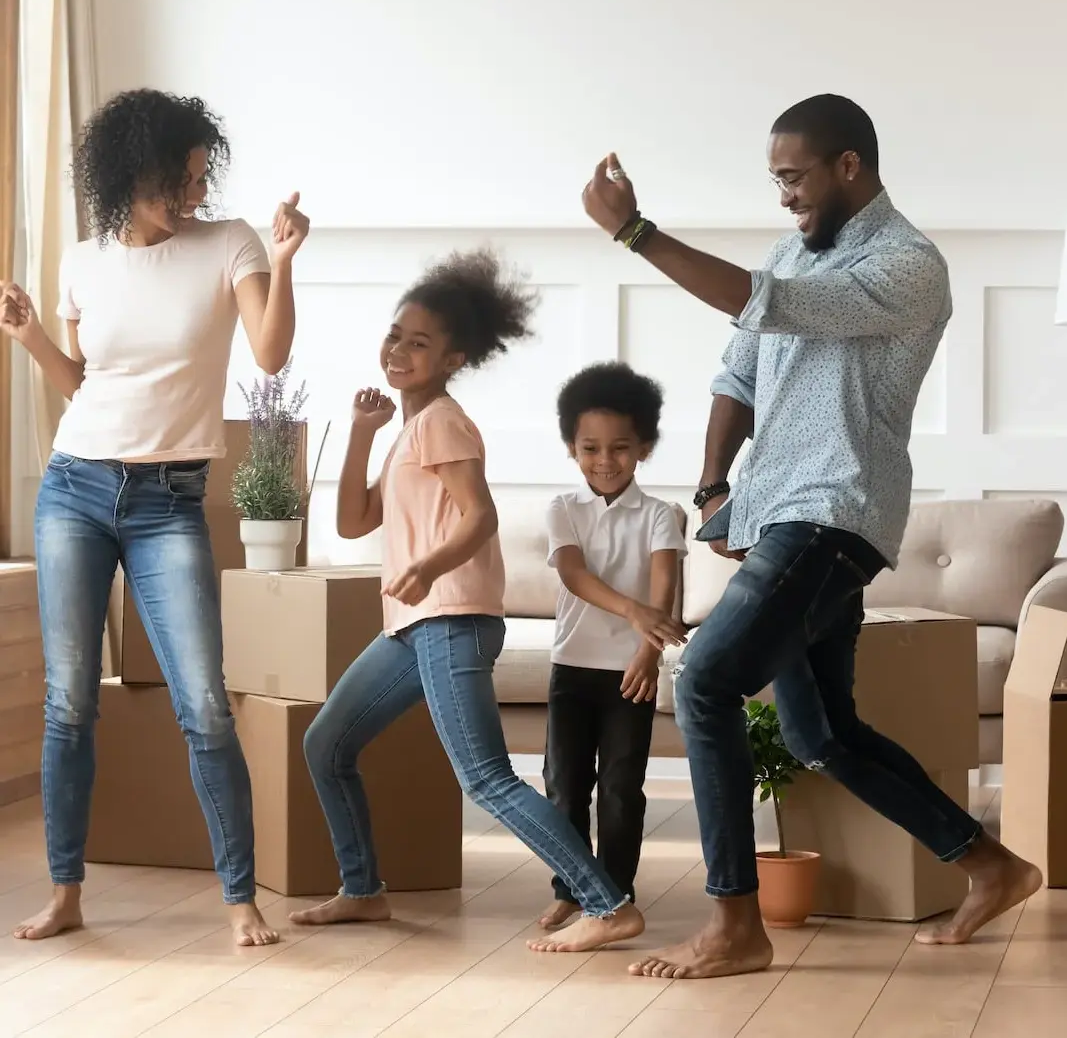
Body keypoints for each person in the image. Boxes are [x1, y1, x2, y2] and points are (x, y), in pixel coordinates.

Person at [579, 93, 1042, 980]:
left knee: (708, 680)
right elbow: (737, 372)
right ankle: (990, 864)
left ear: (848, 167)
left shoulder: (909, 265)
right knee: (820, 732)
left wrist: (634, 232)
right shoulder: (792, 249)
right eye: (773, 179)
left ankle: (732, 922)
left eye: (792, 177)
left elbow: (766, 303)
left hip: (835, 513)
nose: (782, 196)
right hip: (777, 513)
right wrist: (718, 487)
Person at [0, 88, 309, 946]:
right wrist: (30, 339)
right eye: (177, 181)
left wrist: (282, 262)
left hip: (169, 502)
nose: (193, 196)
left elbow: (272, 355)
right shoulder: (84, 260)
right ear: (127, 175)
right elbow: (85, 384)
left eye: (199, 178)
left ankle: (239, 897)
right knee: (68, 704)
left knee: (204, 704)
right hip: (74, 489)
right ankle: (66, 891)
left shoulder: (230, 242)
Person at [287, 250, 646, 954]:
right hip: (415, 626)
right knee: (326, 743)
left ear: (453, 357)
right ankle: (362, 889)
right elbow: (354, 521)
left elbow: (478, 517)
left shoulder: (443, 421)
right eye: (395, 334)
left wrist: (425, 565)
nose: (398, 349)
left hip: (448, 618)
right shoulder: (410, 430)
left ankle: (608, 902)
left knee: (485, 779)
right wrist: (362, 431)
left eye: (419, 342)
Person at [537, 362, 687, 931]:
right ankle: (571, 891)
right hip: (572, 667)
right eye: (590, 447)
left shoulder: (659, 515)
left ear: (643, 447)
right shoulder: (563, 509)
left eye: (620, 448)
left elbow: (664, 586)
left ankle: (615, 896)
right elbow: (574, 576)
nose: (605, 461)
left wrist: (648, 653)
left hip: (632, 670)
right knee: (565, 787)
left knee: (623, 788)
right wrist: (634, 612)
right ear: (571, 447)